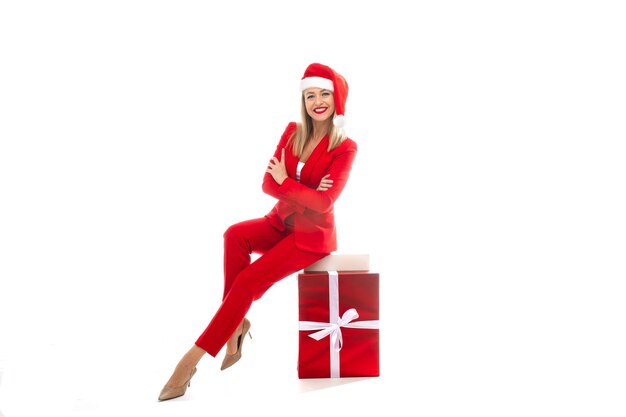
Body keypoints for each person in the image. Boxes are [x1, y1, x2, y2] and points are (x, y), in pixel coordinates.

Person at [158, 62, 358, 401]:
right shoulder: (292, 131)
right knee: (234, 234)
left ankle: (190, 361)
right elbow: (268, 183)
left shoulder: (345, 147)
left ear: (336, 99)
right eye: (310, 95)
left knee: (247, 282)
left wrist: (287, 181)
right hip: (279, 221)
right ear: (303, 100)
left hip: (309, 239)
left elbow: (325, 204)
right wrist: (300, 188)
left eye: (324, 94)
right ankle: (235, 324)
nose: (317, 101)